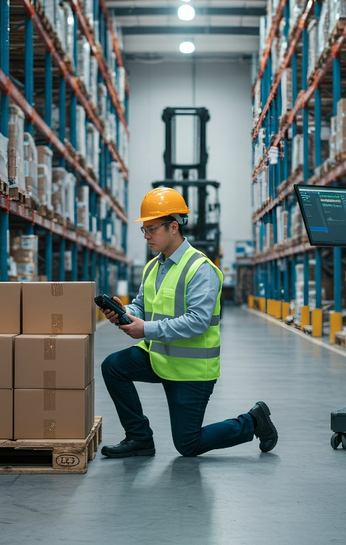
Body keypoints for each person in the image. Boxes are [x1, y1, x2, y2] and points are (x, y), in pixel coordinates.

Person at [99, 187, 278, 458]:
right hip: (159, 356)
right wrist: (124, 311)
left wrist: (144, 329)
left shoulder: (201, 269)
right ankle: (139, 438)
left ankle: (254, 420)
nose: (146, 236)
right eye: (144, 230)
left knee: (188, 445)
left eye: (152, 229)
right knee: (113, 366)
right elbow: (143, 305)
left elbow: (197, 322)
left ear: (173, 227)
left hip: (191, 369)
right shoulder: (153, 266)